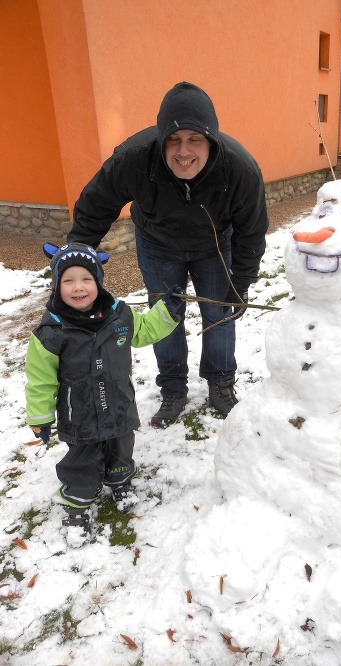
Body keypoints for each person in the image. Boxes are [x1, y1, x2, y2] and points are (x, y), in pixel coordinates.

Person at [67, 81, 269, 428]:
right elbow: (96, 205)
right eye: (173, 139)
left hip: (215, 246)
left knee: (219, 314)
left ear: (211, 140)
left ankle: (220, 383)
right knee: (164, 317)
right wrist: (75, 257)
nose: (183, 151)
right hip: (158, 243)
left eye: (195, 139)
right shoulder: (134, 159)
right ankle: (173, 389)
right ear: (160, 140)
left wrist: (242, 281)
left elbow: (252, 230)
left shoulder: (238, 169)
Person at [25, 242, 182, 545]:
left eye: (86, 279)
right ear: (56, 285)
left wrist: (168, 311)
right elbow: (40, 381)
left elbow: (145, 330)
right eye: (68, 281)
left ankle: (120, 481)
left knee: (121, 449)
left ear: (97, 281)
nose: (78, 288)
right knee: (82, 461)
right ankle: (77, 504)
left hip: (120, 405)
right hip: (80, 414)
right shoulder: (50, 334)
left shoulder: (119, 317)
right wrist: (41, 418)